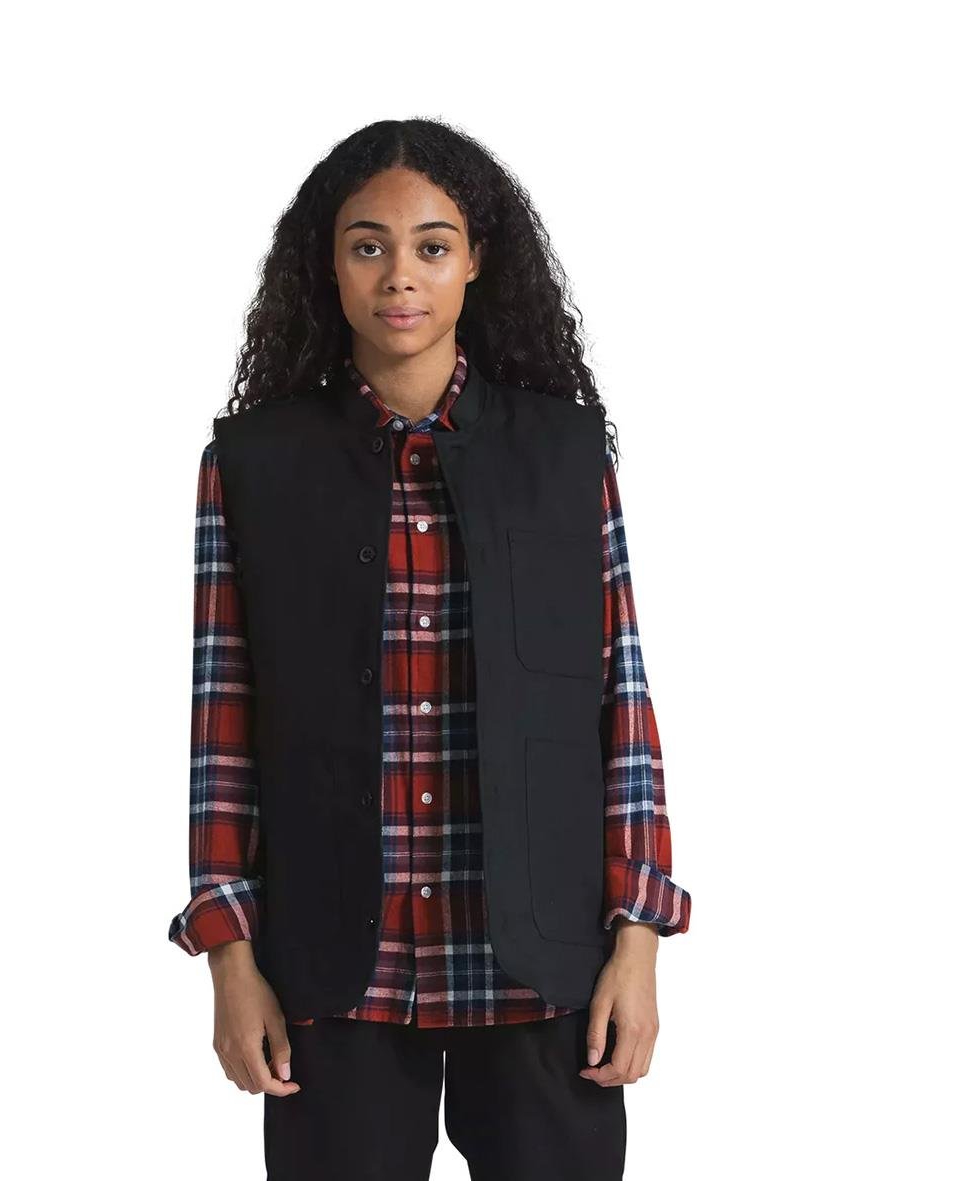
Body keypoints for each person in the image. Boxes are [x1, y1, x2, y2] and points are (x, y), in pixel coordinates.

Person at [167, 117, 692, 1181]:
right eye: (367, 245)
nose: (399, 275)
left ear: (475, 260)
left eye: (431, 245)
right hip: (331, 970)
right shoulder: (253, 464)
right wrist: (229, 955)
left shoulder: (563, 453)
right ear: (327, 264)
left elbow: (619, 700)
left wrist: (638, 935)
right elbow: (224, 720)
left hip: (544, 964)